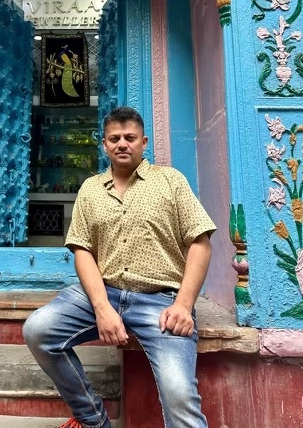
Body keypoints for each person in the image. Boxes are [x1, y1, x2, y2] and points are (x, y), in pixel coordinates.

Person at [23, 106, 216, 428]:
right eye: (115, 138)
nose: (122, 144)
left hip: (162, 301)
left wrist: (184, 304)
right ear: (104, 144)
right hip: (103, 292)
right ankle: (93, 420)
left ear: (144, 142)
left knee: (179, 394)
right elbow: (82, 249)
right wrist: (102, 308)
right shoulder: (91, 188)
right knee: (38, 330)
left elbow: (200, 241)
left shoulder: (170, 180)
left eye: (130, 138)